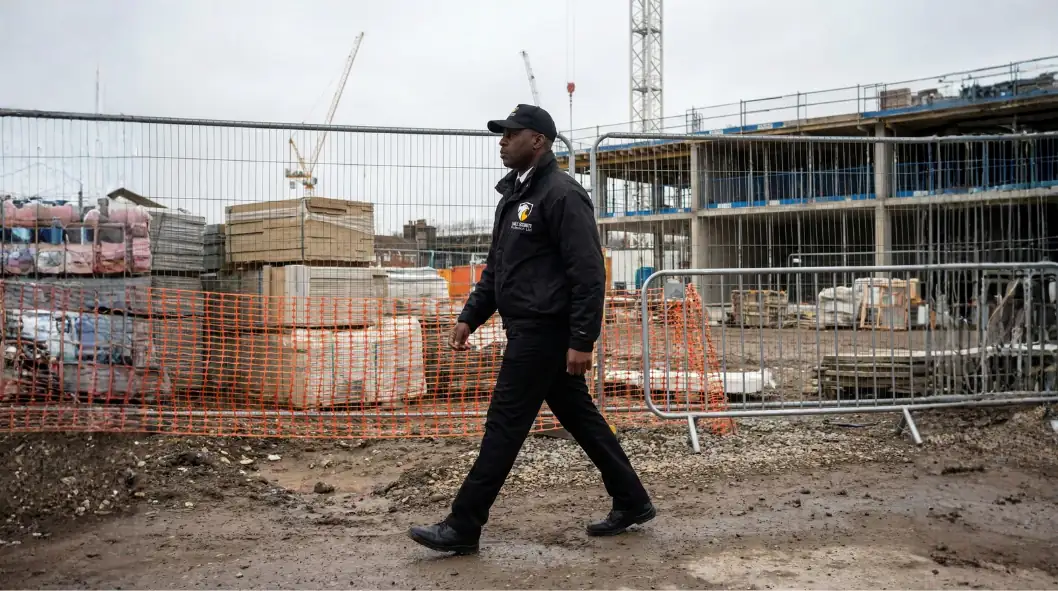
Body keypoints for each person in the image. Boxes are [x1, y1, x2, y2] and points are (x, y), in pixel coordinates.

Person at [408, 104, 655, 555]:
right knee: (581, 418)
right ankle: (633, 500)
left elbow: (588, 274)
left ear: (537, 140)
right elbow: (498, 270)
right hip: (526, 330)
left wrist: (582, 339)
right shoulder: (515, 198)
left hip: (546, 334)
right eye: (501, 134)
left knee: (504, 425)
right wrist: (470, 316)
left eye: (510, 134)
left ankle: (463, 525)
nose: (501, 141)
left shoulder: (562, 195)